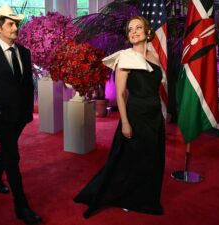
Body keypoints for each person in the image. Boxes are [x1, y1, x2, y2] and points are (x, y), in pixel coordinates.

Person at [74, 16, 166, 218]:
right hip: (135, 114)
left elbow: (155, 88)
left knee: (152, 157)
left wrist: (161, 114)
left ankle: (145, 196)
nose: (134, 32)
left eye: (138, 27)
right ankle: (126, 196)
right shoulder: (125, 57)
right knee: (130, 160)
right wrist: (124, 122)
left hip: (154, 114)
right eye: (130, 29)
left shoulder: (155, 56)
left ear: (148, 32)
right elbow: (121, 94)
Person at [0, 5, 41, 225]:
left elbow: (26, 86)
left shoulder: (24, 52)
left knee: (7, 148)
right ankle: (21, 206)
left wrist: (28, 110)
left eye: (16, 24)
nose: (15, 27)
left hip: (20, 115)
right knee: (13, 156)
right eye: (11, 24)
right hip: (0, 116)